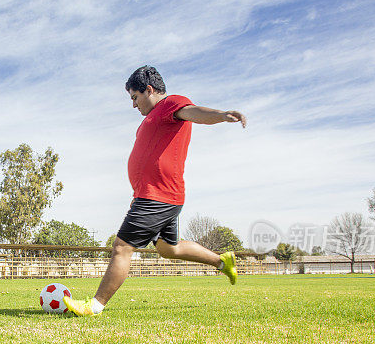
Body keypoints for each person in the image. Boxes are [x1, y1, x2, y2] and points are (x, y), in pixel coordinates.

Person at [64, 65, 247, 317]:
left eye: (135, 97)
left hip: (158, 195)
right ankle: (221, 261)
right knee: (167, 249)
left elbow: (193, 112)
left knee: (122, 247)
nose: (133, 105)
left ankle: (94, 306)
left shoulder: (171, 104)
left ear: (149, 89)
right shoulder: (151, 120)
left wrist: (222, 114)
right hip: (156, 195)